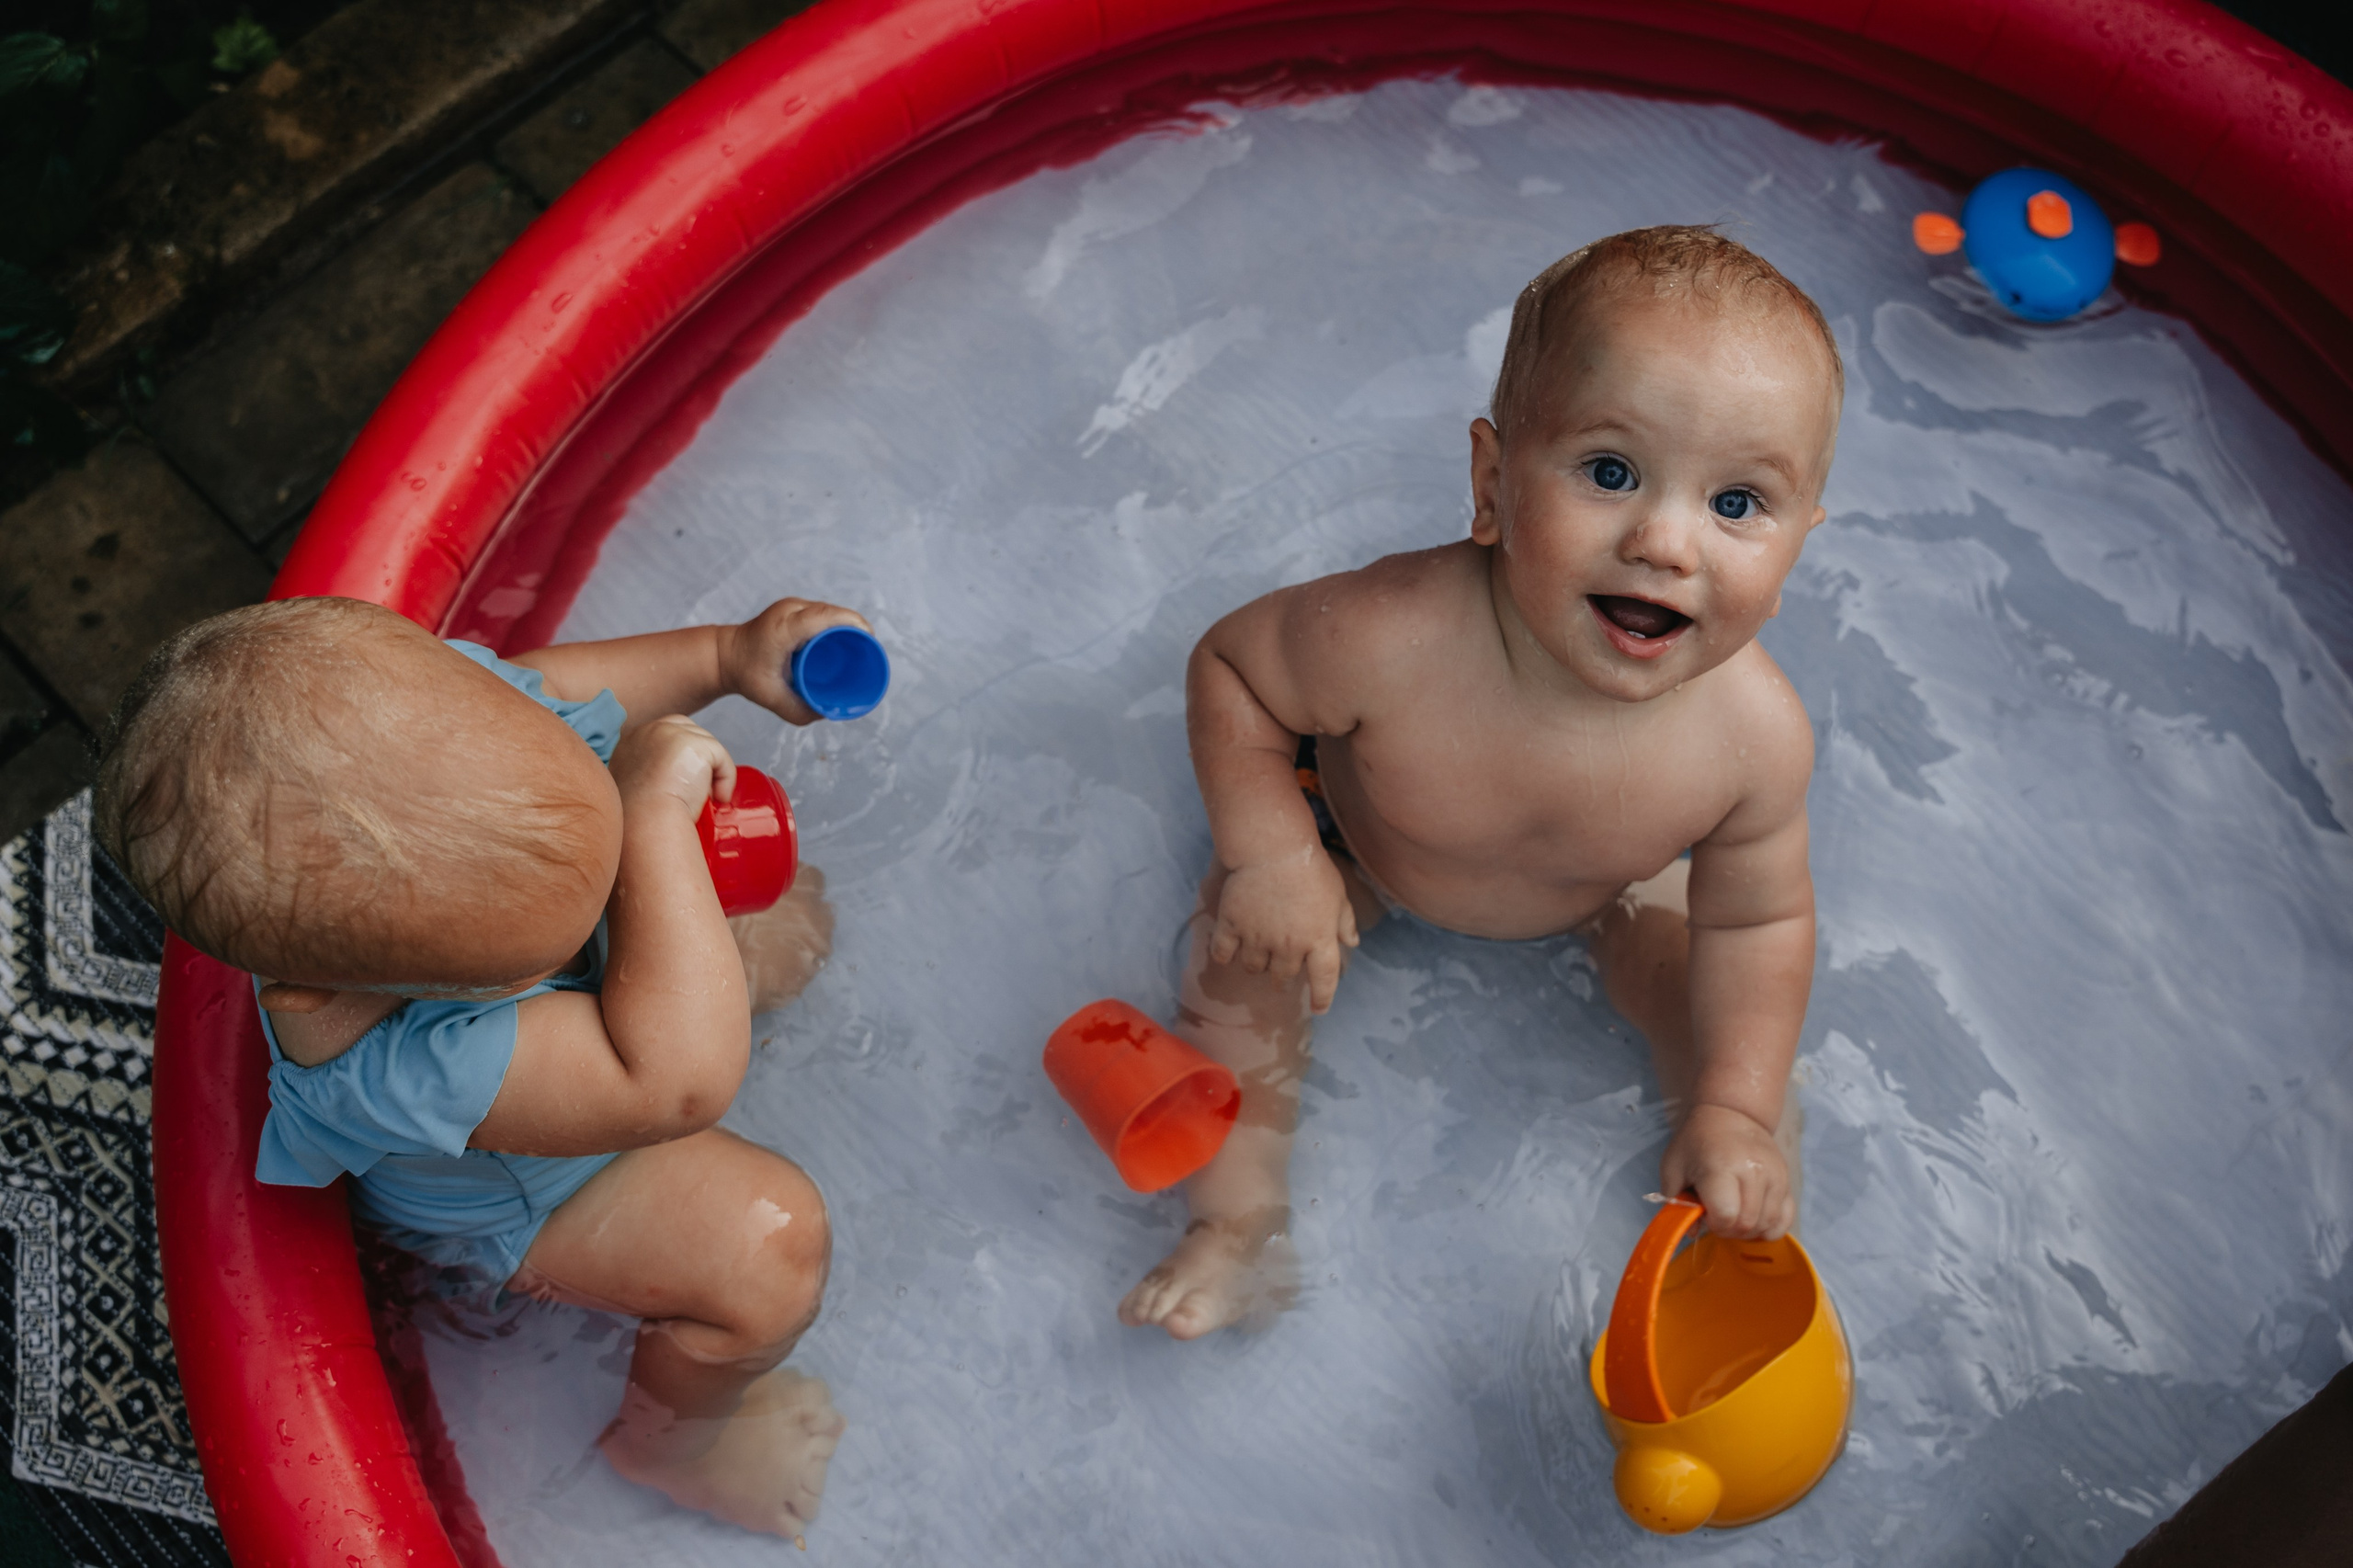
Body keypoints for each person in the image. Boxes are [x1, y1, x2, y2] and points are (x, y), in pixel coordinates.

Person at [1120, 226, 1840, 1340]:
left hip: (1604, 891)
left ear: (1799, 544)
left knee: (1711, 1004)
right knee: (1242, 966)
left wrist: (1736, 1098)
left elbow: (1759, 917)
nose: (1665, 542)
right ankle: (1237, 1226)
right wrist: (1275, 852)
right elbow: (1231, 668)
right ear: (1493, 483)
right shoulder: (1391, 636)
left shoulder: (1754, 739)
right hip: (1359, 854)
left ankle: (1723, 1206)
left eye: (1738, 505)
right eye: (1610, 473)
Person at [95, 595, 860, 1540]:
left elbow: (563, 683)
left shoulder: (443, 745)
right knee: (768, 1250)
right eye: (528, 953)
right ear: (319, 990)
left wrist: (724, 652)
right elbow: (674, 1081)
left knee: (789, 931)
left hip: (605, 1037)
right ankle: (668, 1445)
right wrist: (653, 823)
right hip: (537, 1191)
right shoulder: (394, 1057)